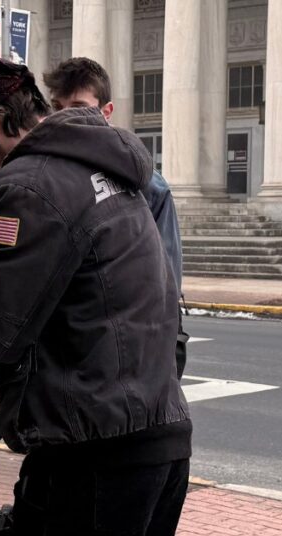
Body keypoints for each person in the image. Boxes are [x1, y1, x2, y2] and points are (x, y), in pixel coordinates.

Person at [0, 53, 192, 535]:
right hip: (159, 438)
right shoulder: (109, 169)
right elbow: (77, 304)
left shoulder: (24, 185)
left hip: (92, 455)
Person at [43, 57, 189, 379]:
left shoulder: (150, 187)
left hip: (128, 356)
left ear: (106, 113)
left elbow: (166, 281)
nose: (66, 118)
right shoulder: (41, 179)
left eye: (79, 107)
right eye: (58, 107)